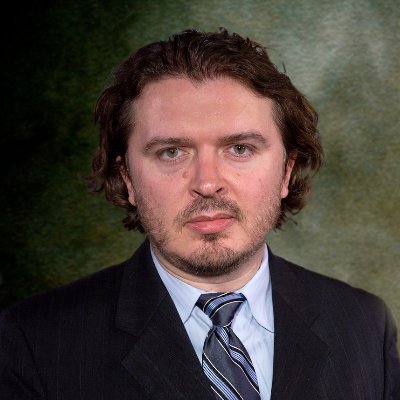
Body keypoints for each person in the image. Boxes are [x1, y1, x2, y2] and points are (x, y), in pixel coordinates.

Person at [0, 28, 399, 400]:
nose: (207, 183)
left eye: (240, 149)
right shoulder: (32, 342)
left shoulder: (365, 325)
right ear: (127, 179)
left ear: (286, 171)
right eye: (171, 152)